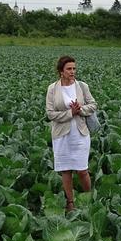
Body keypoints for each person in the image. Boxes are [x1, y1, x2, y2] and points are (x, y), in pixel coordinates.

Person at [46, 55, 98, 212]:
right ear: (61, 71)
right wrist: (70, 113)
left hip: (80, 133)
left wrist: (80, 110)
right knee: (66, 170)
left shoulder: (82, 86)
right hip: (62, 135)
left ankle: (89, 197)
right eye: (69, 69)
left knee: (82, 170)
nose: (72, 71)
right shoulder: (52, 89)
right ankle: (70, 202)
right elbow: (50, 114)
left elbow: (93, 104)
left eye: (74, 68)